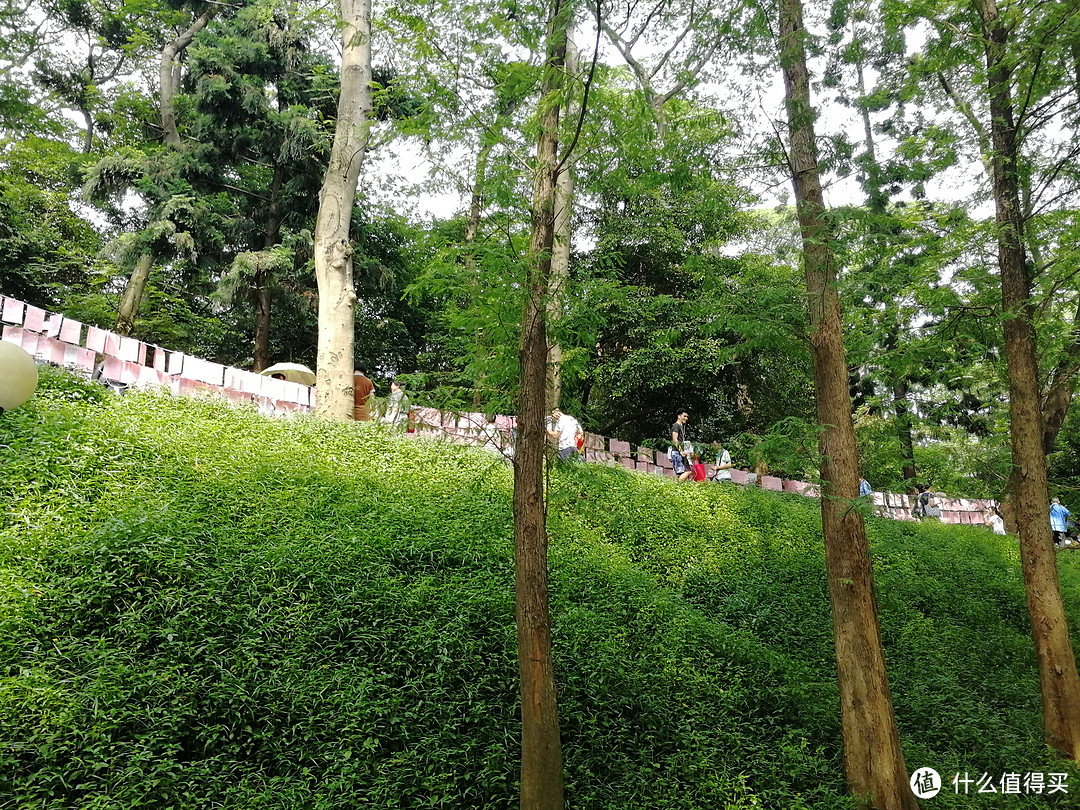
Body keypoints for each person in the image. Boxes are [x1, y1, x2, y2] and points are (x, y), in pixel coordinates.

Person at [670, 409, 693, 482]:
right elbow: (674, 440)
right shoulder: (676, 426)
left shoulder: (681, 427)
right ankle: (675, 485)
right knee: (686, 472)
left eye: (687, 417)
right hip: (677, 452)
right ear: (679, 416)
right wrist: (681, 451)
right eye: (684, 416)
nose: (686, 418)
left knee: (686, 471)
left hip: (680, 452)